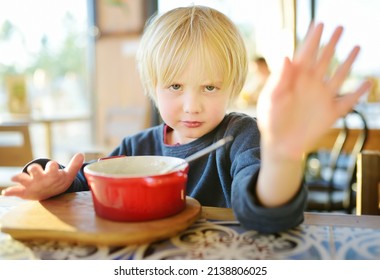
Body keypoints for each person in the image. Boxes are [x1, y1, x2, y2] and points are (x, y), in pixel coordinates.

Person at [2, 5, 370, 233]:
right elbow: (83, 181)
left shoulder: (240, 135)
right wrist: (53, 183)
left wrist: (283, 155)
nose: (191, 105)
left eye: (210, 87)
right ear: (153, 86)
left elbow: (265, 213)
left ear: (233, 86)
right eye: (175, 86)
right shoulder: (137, 147)